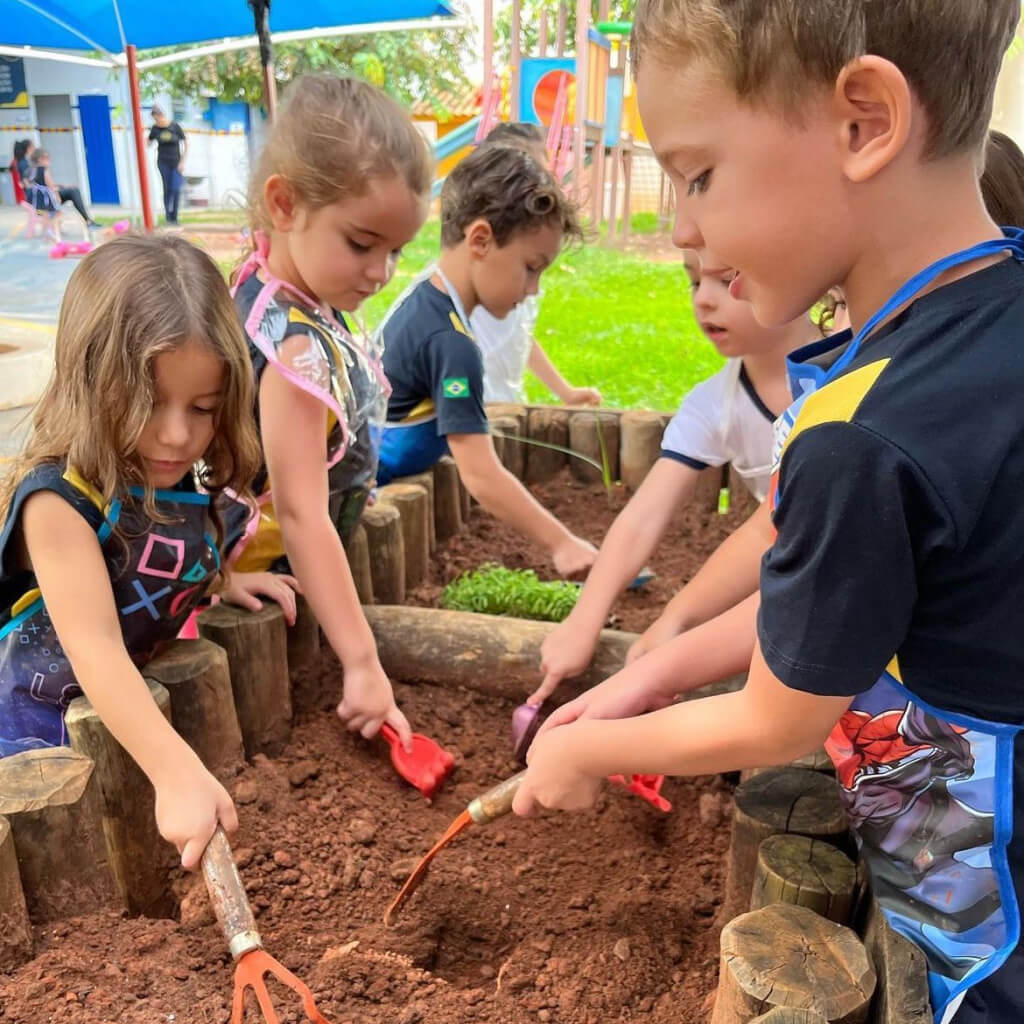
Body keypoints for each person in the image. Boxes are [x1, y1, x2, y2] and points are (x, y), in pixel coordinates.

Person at [513, 3, 1024, 1022]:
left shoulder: (856, 434)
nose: (683, 227)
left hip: (983, 897)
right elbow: (848, 607)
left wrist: (579, 751)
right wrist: (650, 673)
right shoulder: (990, 325)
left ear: (863, 122)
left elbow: (780, 712)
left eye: (699, 174)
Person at [0, 234, 298, 869]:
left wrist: (220, 582)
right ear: (90, 385)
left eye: (204, 408)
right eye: (148, 403)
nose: (176, 433)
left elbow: (170, 547)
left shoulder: (178, 472)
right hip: (31, 737)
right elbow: (95, 645)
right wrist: (175, 770)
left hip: (117, 720)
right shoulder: (57, 501)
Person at [230, 74, 432, 747]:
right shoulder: (291, 351)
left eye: (396, 251)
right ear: (284, 203)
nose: (380, 272)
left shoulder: (274, 283)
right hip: (261, 567)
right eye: (361, 242)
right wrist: (363, 661)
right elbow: (299, 512)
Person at [533, 248, 821, 703]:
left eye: (726, 279)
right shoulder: (716, 405)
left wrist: (678, 622)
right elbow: (645, 514)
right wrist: (583, 622)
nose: (703, 300)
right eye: (693, 281)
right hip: (801, 572)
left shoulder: (852, 372)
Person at [374, 143, 597, 578]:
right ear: (480, 240)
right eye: (531, 267)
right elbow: (481, 475)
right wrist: (562, 543)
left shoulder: (424, 301)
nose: (533, 289)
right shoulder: (452, 342)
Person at [470, 123, 601, 407]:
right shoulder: (462, 288)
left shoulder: (519, 276)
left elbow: (519, 336)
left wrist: (565, 391)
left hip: (507, 409)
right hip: (475, 414)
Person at [26, 148, 100, 235]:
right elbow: (51, 187)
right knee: (72, 195)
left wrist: (64, 186)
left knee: (72, 190)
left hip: (37, 206)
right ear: (39, 159)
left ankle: (87, 221)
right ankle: (87, 221)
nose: (49, 159)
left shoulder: (32, 170)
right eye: (46, 157)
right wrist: (57, 196)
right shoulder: (44, 170)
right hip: (45, 206)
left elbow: (42, 186)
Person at [149, 104, 187, 225]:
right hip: (162, 162)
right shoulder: (155, 128)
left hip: (176, 162)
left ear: (162, 115)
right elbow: (148, 143)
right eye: (154, 119)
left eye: (157, 118)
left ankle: (175, 216)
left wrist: (183, 162)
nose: (157, 121)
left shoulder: (175, 126)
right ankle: (168, 217)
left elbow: (186, 144)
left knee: (176, 188)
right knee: (167, 189)